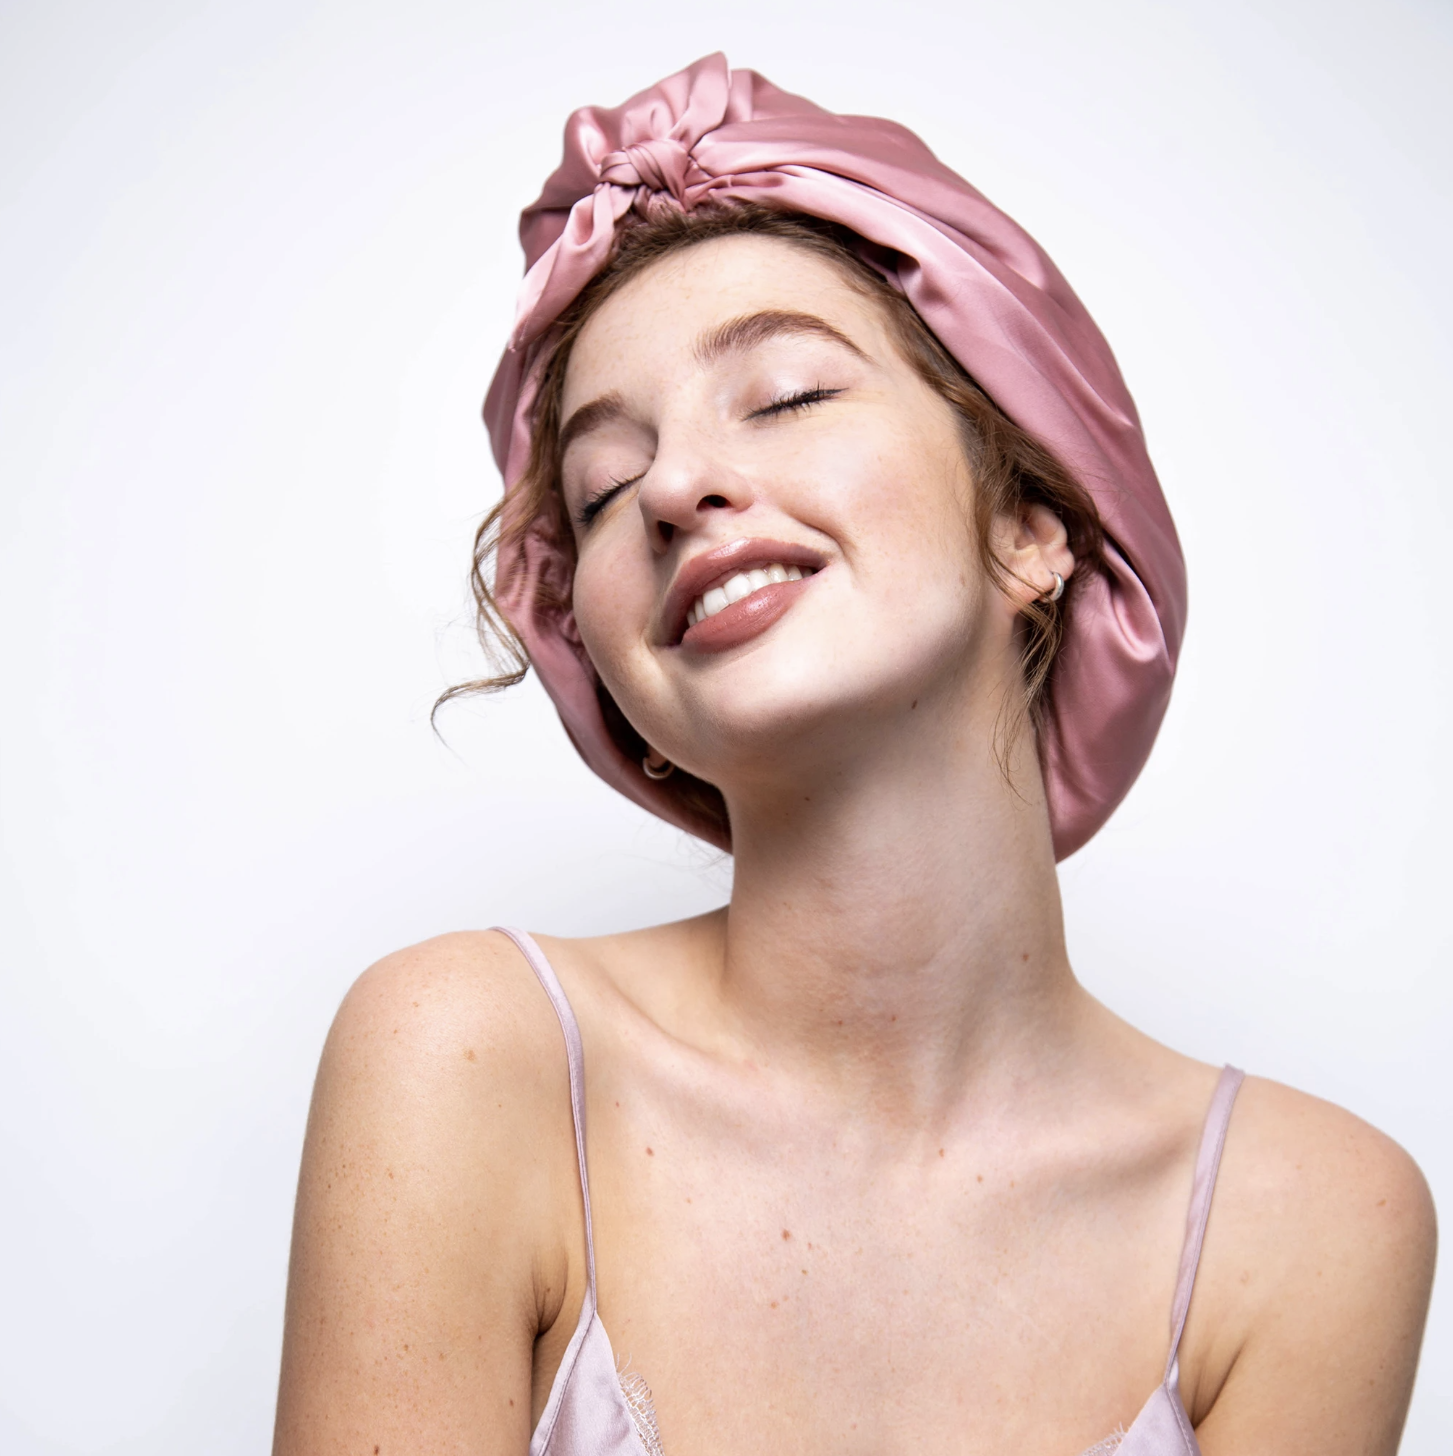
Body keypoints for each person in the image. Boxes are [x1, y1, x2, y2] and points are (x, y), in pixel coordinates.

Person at [272, 55, 1435, 1456]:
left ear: (1031, 524)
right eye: (603, 484)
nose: (673, 487)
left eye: (784, 396)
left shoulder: (1311, 1220)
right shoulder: (466, 1056)